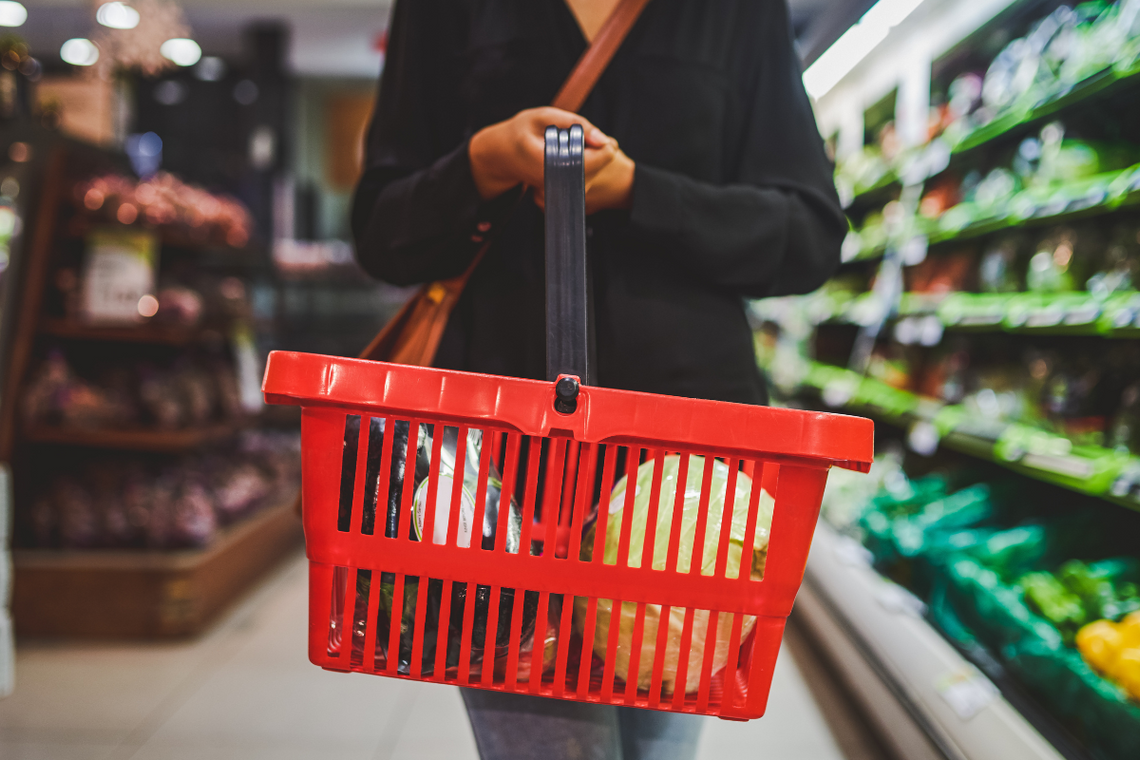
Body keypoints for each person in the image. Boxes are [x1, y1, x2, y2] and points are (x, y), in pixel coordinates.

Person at [352, 0, 845, 757]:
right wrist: (481, 163)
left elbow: (809, 234)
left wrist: (642, 192)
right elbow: (382, 231)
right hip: (499, 478)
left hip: (689, 488)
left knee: (659, 748)